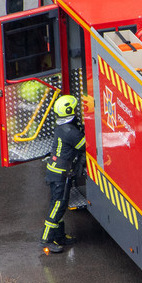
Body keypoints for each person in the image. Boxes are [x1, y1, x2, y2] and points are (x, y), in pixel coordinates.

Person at [41, 94, 85, 254]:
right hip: (59, 175)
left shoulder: (62, 127)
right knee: (57, 206)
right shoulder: (71, 132)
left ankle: (59, 237)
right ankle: (46, 239)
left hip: (57, 172)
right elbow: (86, 145)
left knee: (61, 205)